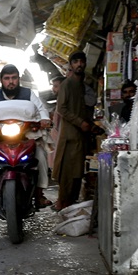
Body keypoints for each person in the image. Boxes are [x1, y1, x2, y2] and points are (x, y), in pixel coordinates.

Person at [0, 64, 52, 211]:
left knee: (40, 156)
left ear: (19, 79)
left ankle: (39, 193)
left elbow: (41, 110)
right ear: (1, 80)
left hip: (25, 137)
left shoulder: (29, 94)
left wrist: (44, 119)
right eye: (7, 78)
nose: (11, 82)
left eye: (14, 78)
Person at [52, 51, 96, 211]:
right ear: (71, 65)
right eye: (75, 62)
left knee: (77, 173)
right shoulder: (67, 84)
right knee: (67, 174)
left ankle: (71, 206)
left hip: (81, 136)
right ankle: (64, 205)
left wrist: (89, 124)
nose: (79, 64)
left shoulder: (81, 85)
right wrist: (80, 122)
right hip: (70, 136)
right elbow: (61, 108)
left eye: (81, 61)